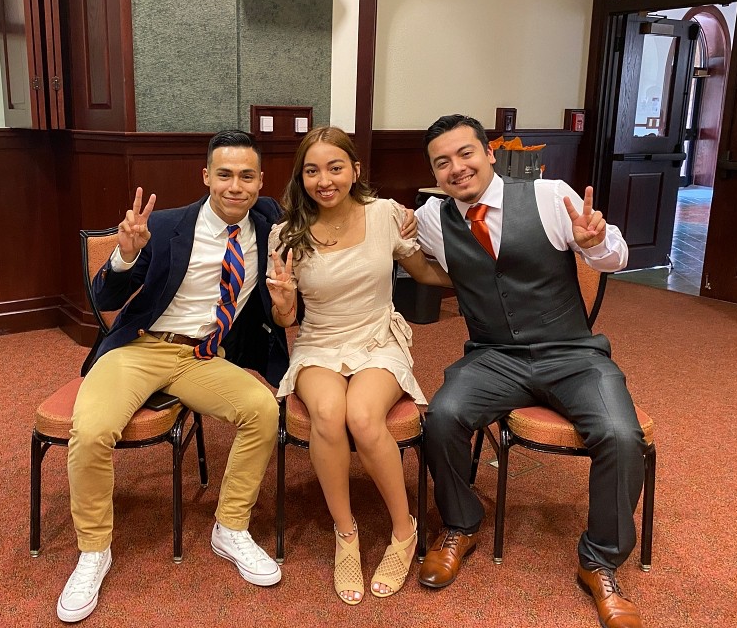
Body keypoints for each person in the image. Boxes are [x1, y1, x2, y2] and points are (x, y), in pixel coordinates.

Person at [413, 114, 647, 628]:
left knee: (620, 434)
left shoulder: (548, 196)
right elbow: (415, 251)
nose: (457, 168)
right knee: (443, 417)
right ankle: (461, 523)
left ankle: (601, 561)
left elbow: (616, 260)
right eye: (442, 162)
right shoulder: (432, 218)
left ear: (489, 153)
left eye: (465, 154)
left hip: (571, 352)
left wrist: (594, 242)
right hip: (494, 355)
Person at [57, 131, 290, 623]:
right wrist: (124, 256)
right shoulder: (163, 226)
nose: (235, 186)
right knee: (93, 431)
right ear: (205, 176)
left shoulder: (268, 223)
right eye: (223, 174)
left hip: (203, 357)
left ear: (261, 182)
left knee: (262, 410)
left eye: (246, 176)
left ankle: (230, 527)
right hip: (143, 347)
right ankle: (94, 550)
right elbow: (103, 299)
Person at [266, 126, 451, 606]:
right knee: (328, 414)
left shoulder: (387, 215)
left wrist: (486, 281)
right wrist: (284, 300)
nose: (324, 180)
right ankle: (346, 535)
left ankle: (403, 530)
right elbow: (285, 320)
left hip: (377, 339)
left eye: (335, 167)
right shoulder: (285, 233)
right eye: (312, 170)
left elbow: (426, 273)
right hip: (318, 342)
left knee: (363, 417)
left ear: (355, 170)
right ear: (300, 177)